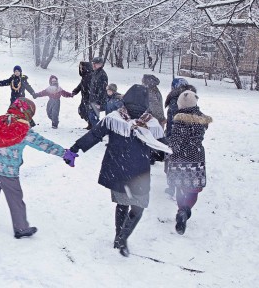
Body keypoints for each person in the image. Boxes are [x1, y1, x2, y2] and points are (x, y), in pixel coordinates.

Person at [0, 97, 77, 239]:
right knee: (15, 199)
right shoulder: (23, 130)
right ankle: (21, 228)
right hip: (8, 173)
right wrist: (64, 153)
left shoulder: (1, 121)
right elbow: (44, 144)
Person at [68, 85, 171, 257]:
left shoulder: (114, 118)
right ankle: (123, 236)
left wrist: (75, 148)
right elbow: (162, 150)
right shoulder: (151, 124)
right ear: (146, 103)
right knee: (139, 206)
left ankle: (118, 237)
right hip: (139, 173)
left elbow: (94, 135)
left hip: (117, 169)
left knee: (122, 204)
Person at [166, 90, 212, 235]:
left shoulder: (180, 120)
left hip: (181, 158)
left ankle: (181, 211)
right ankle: (185, 211)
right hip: (197, 157)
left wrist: (167, 145)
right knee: (193, 189)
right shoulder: (201, 119)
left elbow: (177, 144)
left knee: (180, 186)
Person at [163, 77, 197, 197]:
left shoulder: (174, 100)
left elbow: (174, 120)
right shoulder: (189, 97)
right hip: (188, 137)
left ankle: (173, 187)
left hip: (175, 135)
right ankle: (180, 186)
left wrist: (170, 136)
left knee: (172, 162)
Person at [72, 62, 93, 129]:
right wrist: (75, 91)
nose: (80, 69)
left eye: (81, 68)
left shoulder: (90, 76)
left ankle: (92, 125)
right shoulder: (85, 76)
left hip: (89, 98)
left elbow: (91, 87)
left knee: (87, 111)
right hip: (84, 97)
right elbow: (81, 85)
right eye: (80, 68)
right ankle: (91, 124)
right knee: (81, 110)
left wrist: (90, 97)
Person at [87, 57, 108, 127]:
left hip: (97, 100)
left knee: (94, 117)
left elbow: (102, 90)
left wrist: (98, 102)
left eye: (95, 64)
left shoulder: (102, 75)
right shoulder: (95, 73)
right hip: (92, 99)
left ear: (100, 64)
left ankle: (99, 132)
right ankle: (96, 131)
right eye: (93, 63)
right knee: (91, 116)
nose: (93, 65)